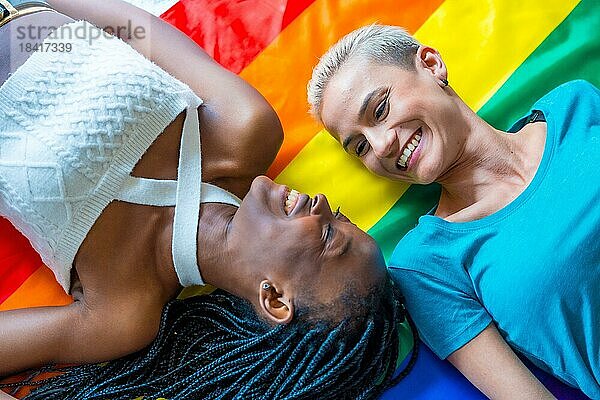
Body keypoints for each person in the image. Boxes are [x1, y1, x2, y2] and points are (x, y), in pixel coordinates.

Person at [0, 3, 415, 398]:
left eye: (328, 236)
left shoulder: (123, 313)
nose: (322, 203)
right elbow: (132, 28)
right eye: (341, 216)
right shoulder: (246, 129)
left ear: (273, 299)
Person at [307, 24, 600, 399]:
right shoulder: (426, 264)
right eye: (359, 147)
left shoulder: (575, 105)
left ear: (431, 65)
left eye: (380, 109)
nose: (380, 147)